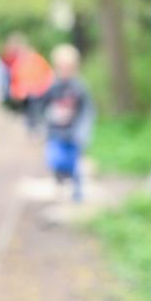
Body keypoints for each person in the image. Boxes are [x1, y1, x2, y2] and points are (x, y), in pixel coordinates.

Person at [41, 44, 94, 203]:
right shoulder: (52, 85)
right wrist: (44, 122)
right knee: (55, 160)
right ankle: (60, 179)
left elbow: (87, 110)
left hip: (74, 132)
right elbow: (42, 104)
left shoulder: (79, 86)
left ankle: (77, 192)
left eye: (68, 67)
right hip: (55, 132)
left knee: (75, 164)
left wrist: (83, 131)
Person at [3, 33, 53, 133]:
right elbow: (15, 78)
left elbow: (47, 75)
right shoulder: (19, 62)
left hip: (38, 90)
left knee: (35, 102)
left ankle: (34, 124)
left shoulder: (37, 60)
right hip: (25, 91)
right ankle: (30, 123)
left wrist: (39, 87)